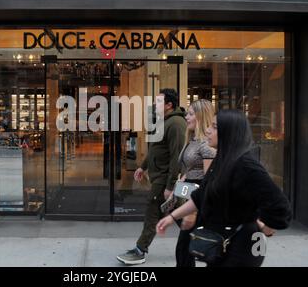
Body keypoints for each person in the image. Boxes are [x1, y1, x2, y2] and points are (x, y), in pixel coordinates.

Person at [156, 110, 292, 267]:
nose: (207, 130)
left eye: (214, 127)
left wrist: (264, 227)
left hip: (241, 249)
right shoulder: (222, 159)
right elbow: (201, 195)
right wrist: (172, 217)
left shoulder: (246, 166)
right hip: (220, 245)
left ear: (229, 132)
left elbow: (280, 208)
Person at [117, 88, 186, 265]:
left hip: (164, 179)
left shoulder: (177, 124)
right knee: (180, 214)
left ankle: (140, 250)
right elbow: (156, 149)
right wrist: (143, 167)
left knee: (152, 213)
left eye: (160, 101)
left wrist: (170, 186)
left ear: (169, 105)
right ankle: (200, 239)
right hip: (159, 177)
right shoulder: (165, 121)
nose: (156, 104)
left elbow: (176, 157)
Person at [175, 99, 216, 267]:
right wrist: (184, 178)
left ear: (201, 116)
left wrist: (193, 212)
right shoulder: (192, 140)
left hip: (198, 201)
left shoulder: (206, 146)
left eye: (191, 114)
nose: (186, 117)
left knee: (184, 250)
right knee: (185, 250)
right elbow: (192, 168)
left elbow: (208, 180)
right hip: (188, 193)